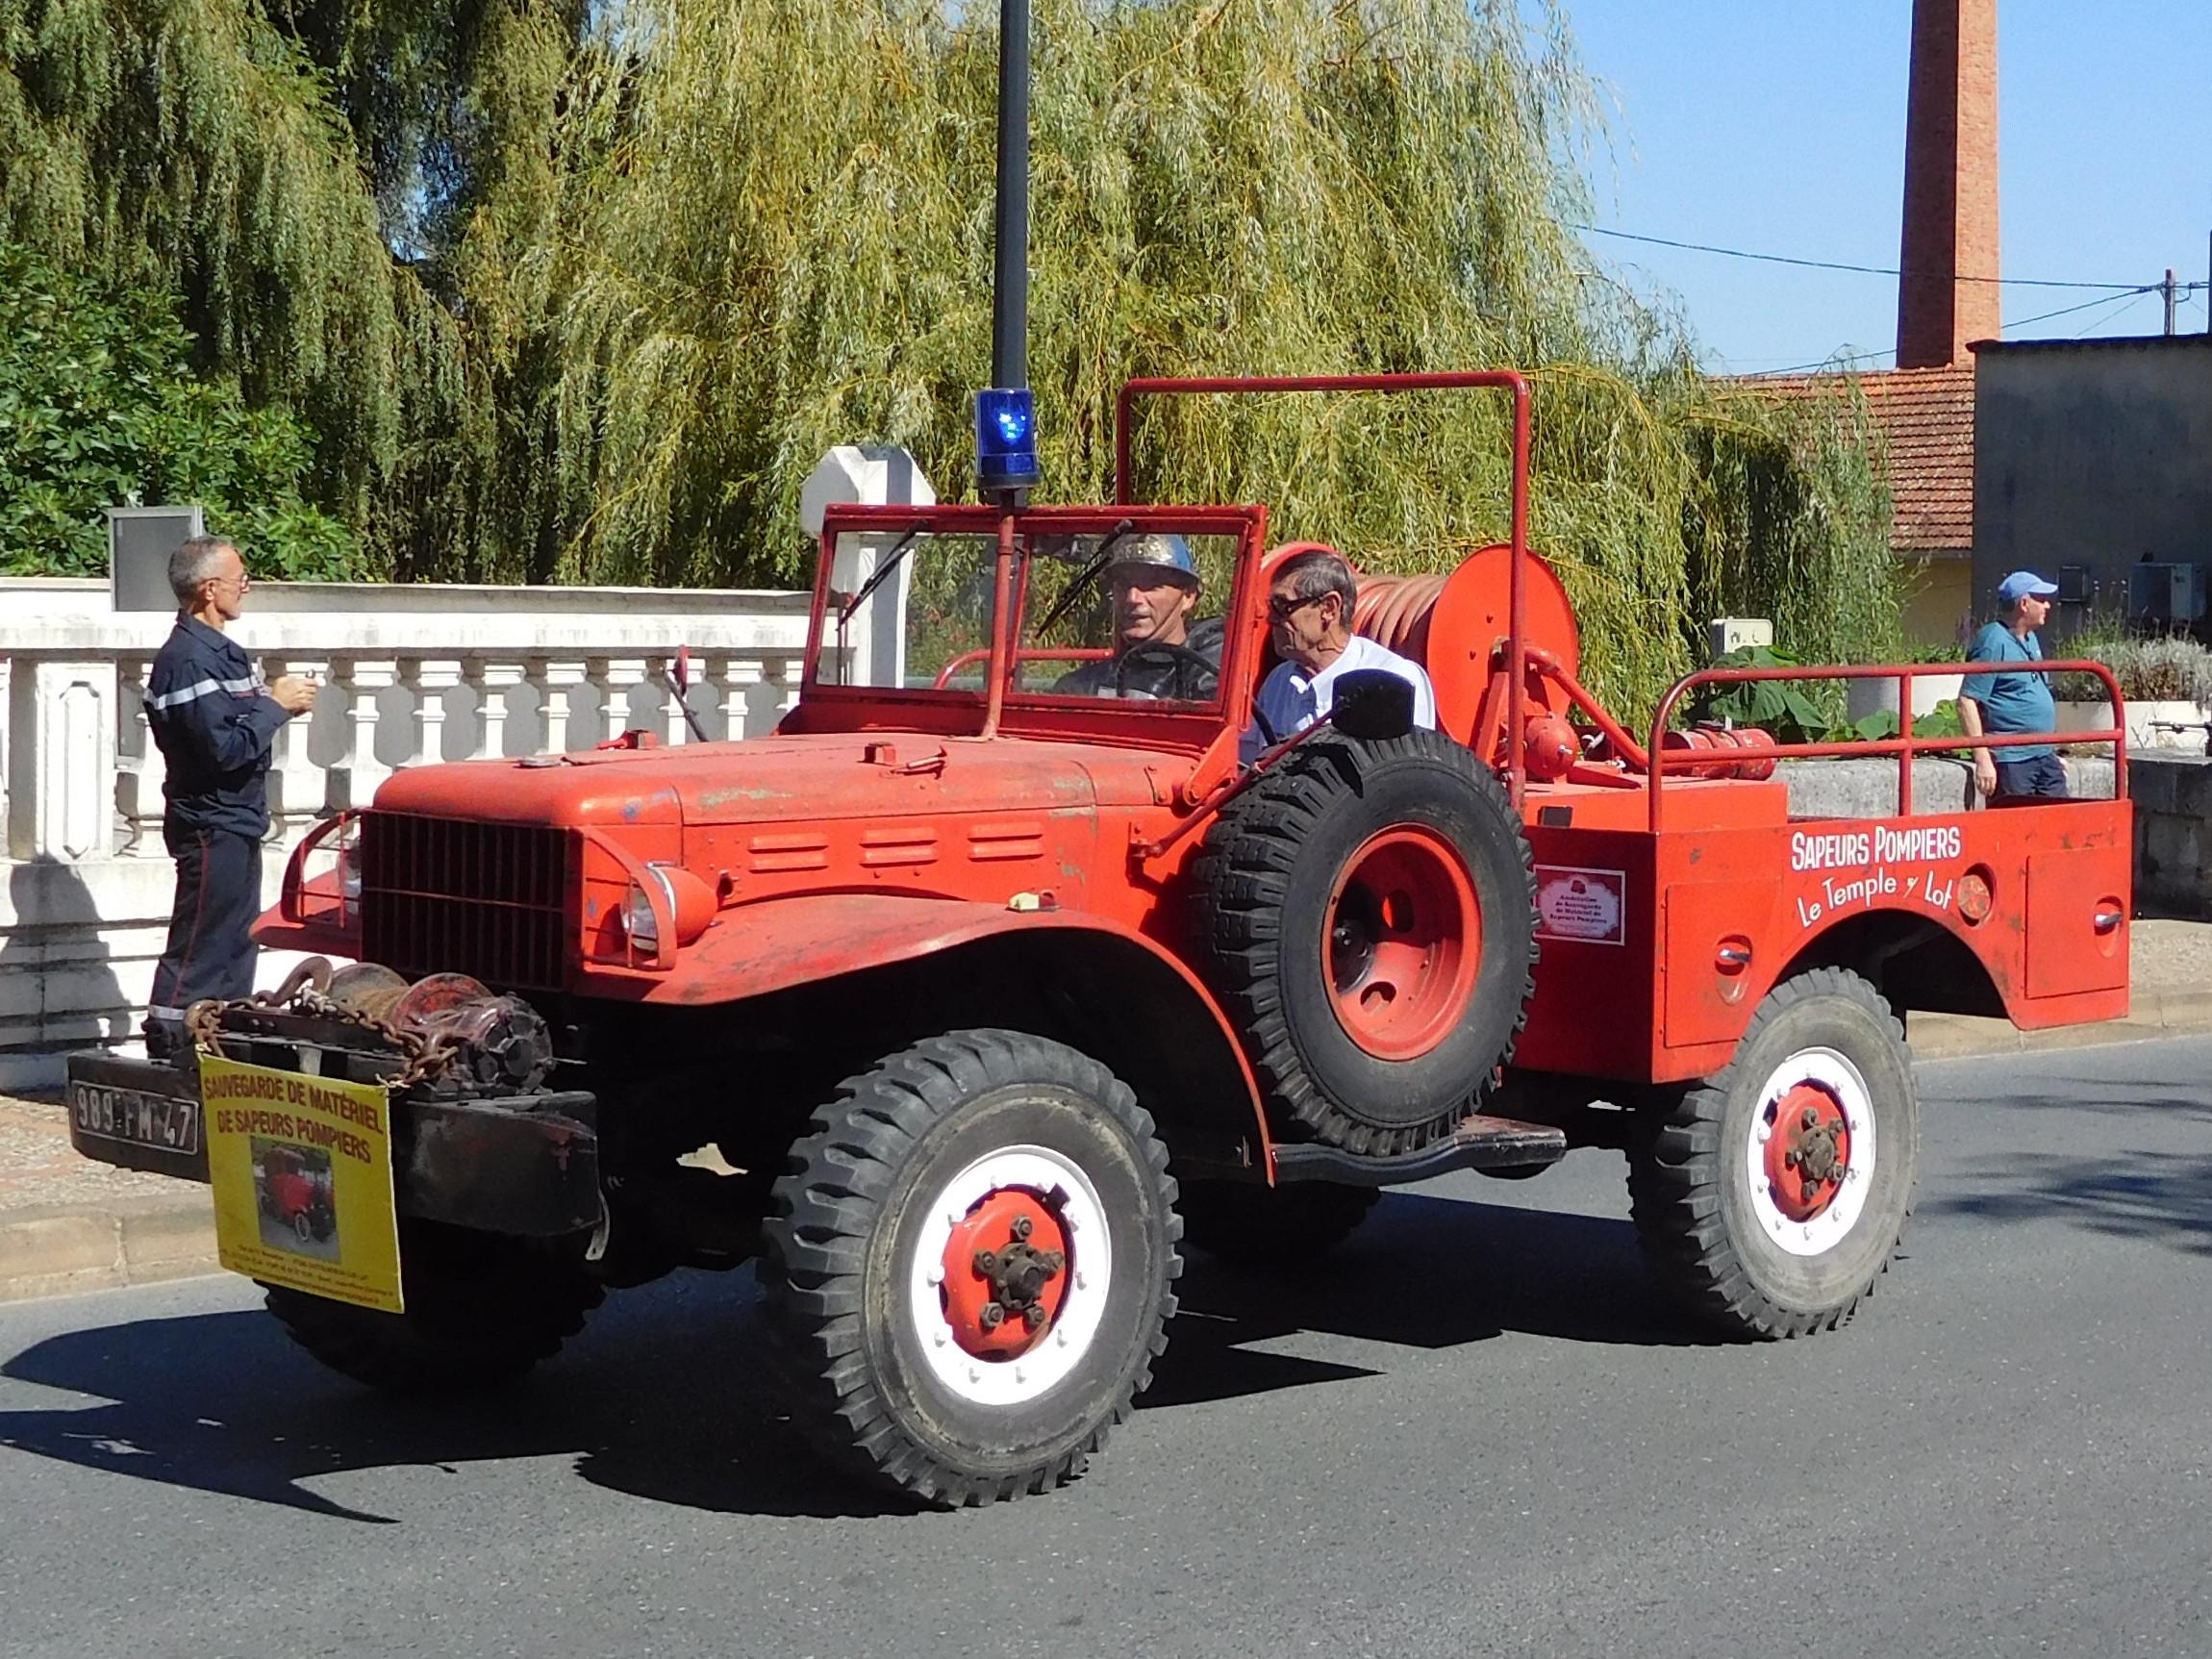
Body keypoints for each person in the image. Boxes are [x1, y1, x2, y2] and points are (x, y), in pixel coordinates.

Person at [142, 536, 317, 1058]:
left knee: (239, 941)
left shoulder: (225, 655)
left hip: (237, 820)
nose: (247, 587)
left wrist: (276, 704)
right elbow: (223, 751)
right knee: (201, 944)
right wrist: (276, 707)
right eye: (240, 578)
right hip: (209, 824)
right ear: (209, 589)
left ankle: (225, 1043)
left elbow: (238, 733)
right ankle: (171, 1047)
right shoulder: (187, 662)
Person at [1242, 548, 1436, 763]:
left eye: (1283, 606)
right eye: (1271, 606)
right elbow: (1246, 761)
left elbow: (1410, 772)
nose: (1270, 619)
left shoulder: (1393, 682)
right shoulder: (1278, 683)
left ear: (1329, 608)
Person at [1050, 533, 1221, 700]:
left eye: (1152, 585)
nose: (1132, 598)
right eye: (1123, 584)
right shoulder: (1079, 688)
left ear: (1188, 596)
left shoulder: (1212, 684)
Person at [1958, 569, 2067, 803]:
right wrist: (1982, 758)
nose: (2047, 605)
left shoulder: (2030, 638)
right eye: (2041, 599)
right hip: (2012, 760)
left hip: (2043, 756)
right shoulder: (1993, 640)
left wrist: (2050, 750)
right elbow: (1967, 701)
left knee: (2059, 820)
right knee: (2016, 822)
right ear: (2024, 604)